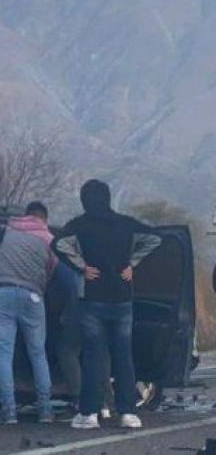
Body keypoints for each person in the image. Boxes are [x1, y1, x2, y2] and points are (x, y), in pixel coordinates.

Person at [53, 179, 161, 430]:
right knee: (124, 357)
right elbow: (155, 238)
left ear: (84, 199)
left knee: (93, 357)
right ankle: (128, 413)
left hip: (93, 298)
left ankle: (89, 413)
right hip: (122, 298)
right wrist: (132, 263)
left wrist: (81, 266)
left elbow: (57, 244)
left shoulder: (79, 225)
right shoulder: (125, 224)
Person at [0, 201, 58, 425]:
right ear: (44, 219)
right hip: (32, 296)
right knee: (38, 353)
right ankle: (45, 410)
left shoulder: (8, 229)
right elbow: (51, 271)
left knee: (4, 353)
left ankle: (8, 411)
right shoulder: (49, 240)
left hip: (1, 292)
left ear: (27, 215)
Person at [49, 261, 115, 418]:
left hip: (79, 312)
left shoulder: (66, 264)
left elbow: (56, 293)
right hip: (104, 312)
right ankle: (106, 401)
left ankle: (80, 399)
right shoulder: (103, 259)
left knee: (67, 351)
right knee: (100, 353)